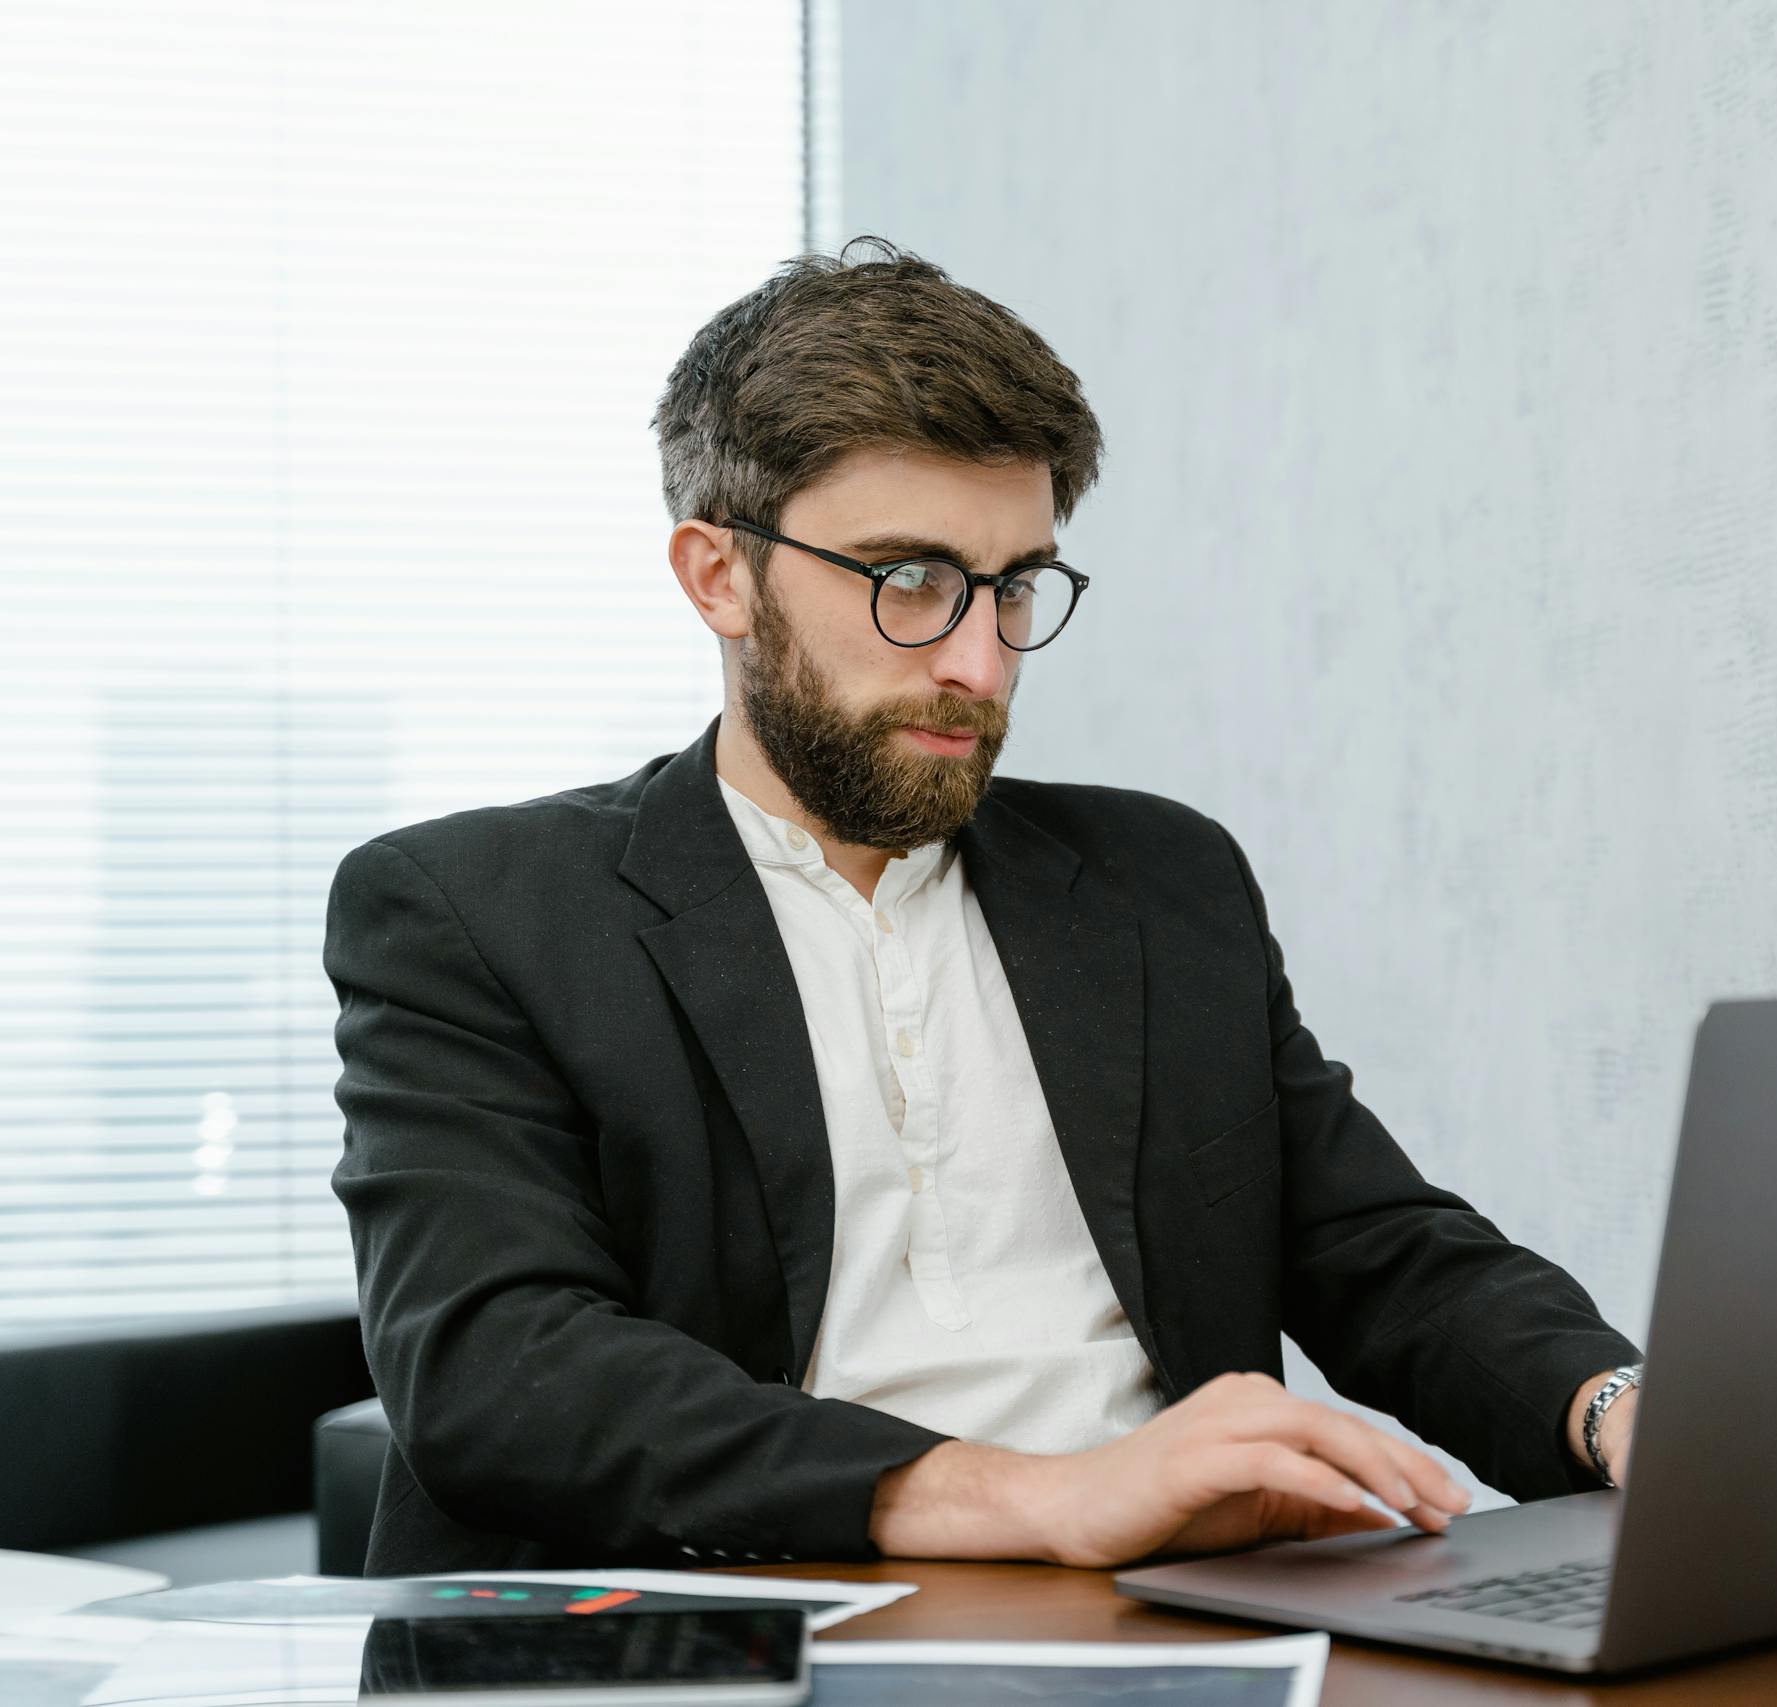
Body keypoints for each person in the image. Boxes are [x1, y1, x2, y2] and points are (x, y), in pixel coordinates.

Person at [326, 239, 1642, 1574]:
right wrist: (1040, 1500)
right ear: (718, 575)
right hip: (731, 1629)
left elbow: (1378, 1251)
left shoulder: (1158, 882)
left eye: (1015, 586)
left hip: (1172, 1627)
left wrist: (1616, 1413)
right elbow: (500, 1371)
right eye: (910, 581)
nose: (978, 660)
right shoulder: (473, 911)